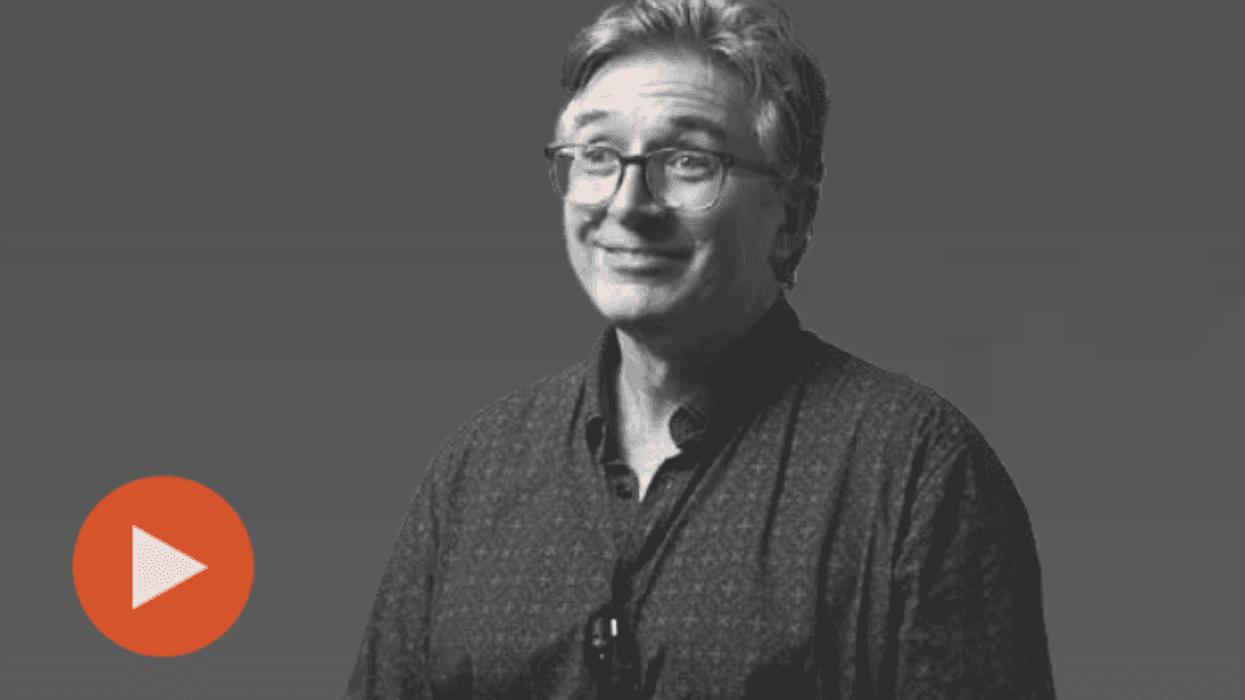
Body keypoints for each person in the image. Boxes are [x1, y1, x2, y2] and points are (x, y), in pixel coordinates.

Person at [343, 0, 1057, 697]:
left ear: (791, 214)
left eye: (687, 161)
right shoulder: (475, 473)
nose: (628, 204)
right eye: (598, 154)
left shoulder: (917, 474)